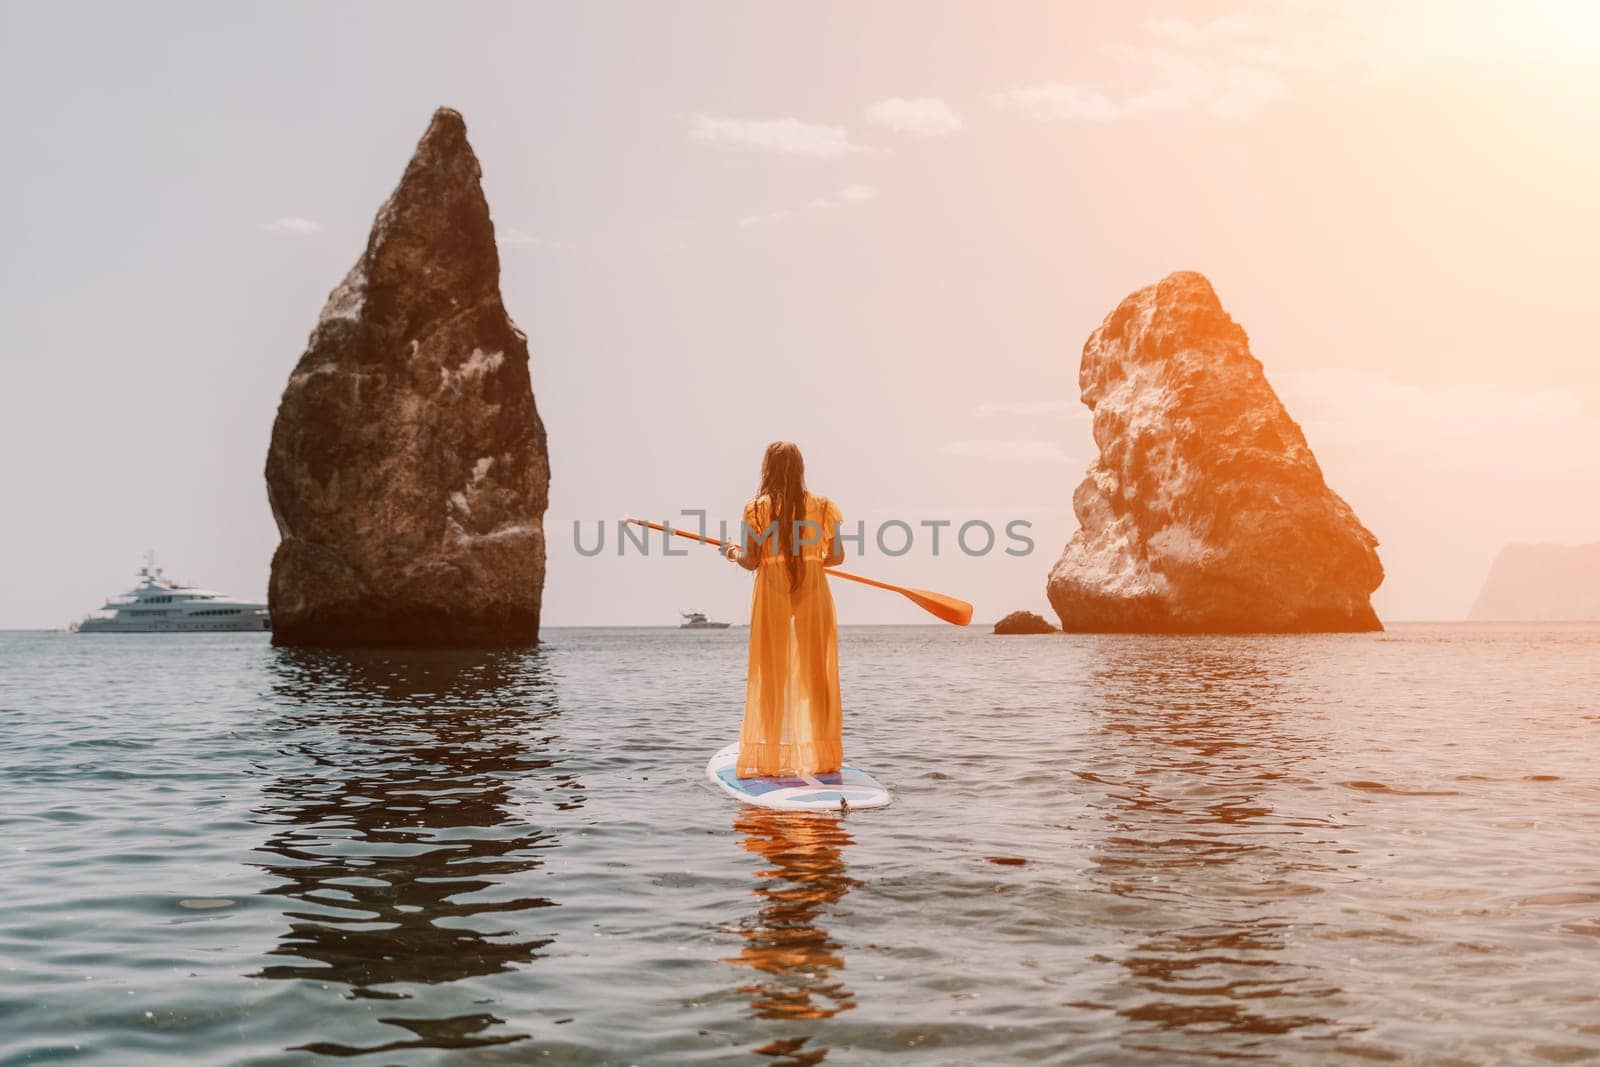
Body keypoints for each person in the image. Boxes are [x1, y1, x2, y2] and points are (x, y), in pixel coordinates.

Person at [723, 441, 845, 779]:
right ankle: (822, 756)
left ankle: (769, 758)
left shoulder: (756, 509)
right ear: (801, 467)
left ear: (767, 469)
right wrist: (809, 557)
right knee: (816, 670)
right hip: (813, 587)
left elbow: (750, 561)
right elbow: (836, 557)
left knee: (770, 670)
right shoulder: (823, 506)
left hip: (772, 589)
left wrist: (731, 552)